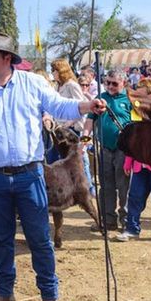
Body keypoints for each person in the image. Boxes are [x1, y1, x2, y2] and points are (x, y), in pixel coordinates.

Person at [0, 31, 106, 301]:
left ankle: (50, 298)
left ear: (7, 59)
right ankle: (3, 294)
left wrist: (87, 105)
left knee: (40, 240)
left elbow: (60, 106)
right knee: (1, 240)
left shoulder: (33, 84)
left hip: (30, 175)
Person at [82, 69, 132, 232]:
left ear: (123, 83)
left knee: (123, 186)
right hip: (104, 148)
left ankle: (126, 221)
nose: (110, 86)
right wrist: (85, 137)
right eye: (107, 83)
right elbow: (90, 120)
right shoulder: (101, 98)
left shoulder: (130, 99)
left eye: (114, 83)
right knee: (106, 185)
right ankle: (108, 220)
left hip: (123, 149)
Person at [117, 78, 151, 241]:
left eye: (141, 95)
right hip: (139, 166)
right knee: (134, 197)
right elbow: (133, 141)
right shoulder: (135, 113)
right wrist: (128, 161)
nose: (137, 99)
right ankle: (132, 228)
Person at [50, 58, 96, 197]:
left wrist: (69, 123)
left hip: (73, 129)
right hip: (59, 129)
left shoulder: (72, 85)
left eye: (54, 70)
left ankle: (88, 189)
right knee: (61, 160)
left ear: (61, 71)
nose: (52, 73)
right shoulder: (57, 86)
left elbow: (81, 107)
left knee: (80, 159)